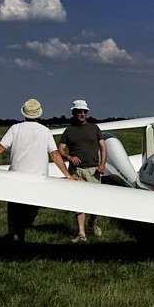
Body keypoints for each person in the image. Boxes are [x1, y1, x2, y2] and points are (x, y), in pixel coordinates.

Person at [0, 98, 74, 243]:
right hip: (38, 180)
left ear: (24, 114)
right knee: (29, 212)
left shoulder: (16, 128)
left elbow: (1, 147)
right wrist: (67, 175)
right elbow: (55, 154)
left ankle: (15, 234)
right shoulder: (45, 131)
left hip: (15, 177)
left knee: (14, 209)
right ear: (39, 114)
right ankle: (17, 236)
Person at [58, 98, 107, 243]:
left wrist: (102, 164)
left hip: (93, 169)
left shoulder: (94, 128)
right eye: (79, 112)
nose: (82, 114)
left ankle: (93, 221)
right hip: (76, 170)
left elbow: (103, 147)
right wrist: (69, 156)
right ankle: (81, 233)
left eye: (84, 112)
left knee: (95, 201)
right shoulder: (69, 131)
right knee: (78, 201)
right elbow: (60, 149)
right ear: (74, 113)